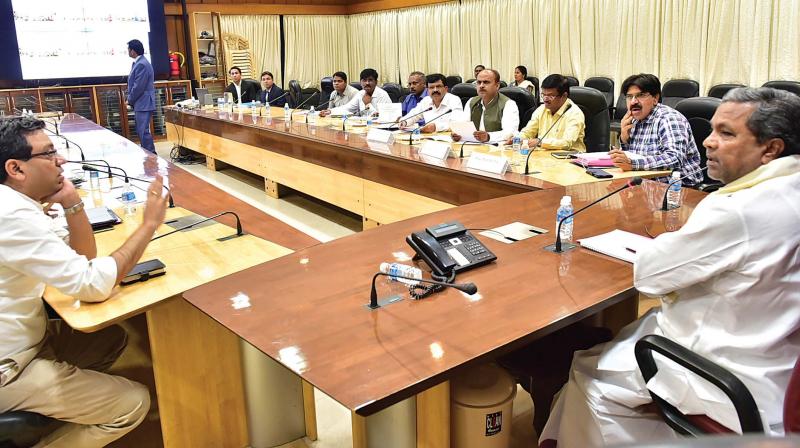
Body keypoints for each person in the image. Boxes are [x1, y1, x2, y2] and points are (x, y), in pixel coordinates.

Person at [538, 87, 800, 447]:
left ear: (770, 149)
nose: (707, 142)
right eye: (711, 130)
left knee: (589, 371)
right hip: (778, 364)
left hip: (725, 374)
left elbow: (651, 275)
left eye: (726, 133)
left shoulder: (739, 207)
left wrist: (665, 244)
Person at [0, 116, 171, 446]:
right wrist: (149, 225)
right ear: (16, 169)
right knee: (133, 403)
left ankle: (60, 404)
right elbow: (92, 285)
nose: (60, 160)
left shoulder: (19, 204)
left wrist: (71, 202)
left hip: (27, 341)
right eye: (48, 154)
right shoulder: (12, 217)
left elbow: (84, 258)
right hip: (9, 368)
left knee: (107, 338)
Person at [610, 73, 702, 185]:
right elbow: (631, 158)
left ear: (655, 98)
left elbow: (674, 158)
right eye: (629, 97)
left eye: (640, 95)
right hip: (645, 184)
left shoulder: (669, 118)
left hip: (678, 188)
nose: (633, 102)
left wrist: (633, 164)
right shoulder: (633, 119)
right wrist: (624, 139)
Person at [516, 74, 586, 151]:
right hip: (544, 156)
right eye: (543, 95)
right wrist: (517, 139)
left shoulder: (575, 113)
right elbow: (528, 132)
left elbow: (567, 143)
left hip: (568, 158)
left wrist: (540, 142)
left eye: (550, 96)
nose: (545, 100)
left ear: (564, 96)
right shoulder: (541, 109)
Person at [452, 69, 519, 143]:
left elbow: (510, 132)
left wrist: (488, 137)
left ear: (497, 85)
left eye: (486, 82)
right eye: (479, 82)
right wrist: (458, 134)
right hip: (473, 146)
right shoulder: (471, 102)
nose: (481, 86)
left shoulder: (508, 104)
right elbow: (463, 126)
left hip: (496, 149)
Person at [319, 68, 391, 117]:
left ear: (376, 82)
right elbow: (347, 108)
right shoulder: (361, 94)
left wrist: (368, 105)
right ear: (360, 82)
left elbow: (384, 117)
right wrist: (330, 112)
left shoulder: (382, 95)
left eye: (370, 80)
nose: (367, 83)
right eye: (364, 80)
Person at [126, 39, 156, 153]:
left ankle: (151, 154)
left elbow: (138, 86)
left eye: (128, 50)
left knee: (143, 130)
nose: (128, 52)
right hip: (141, 102)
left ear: (133, 51)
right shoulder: (139, 63)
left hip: (144, 102)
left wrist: (129, 100)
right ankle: (148, 153)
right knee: (141, 130)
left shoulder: (142, 64)